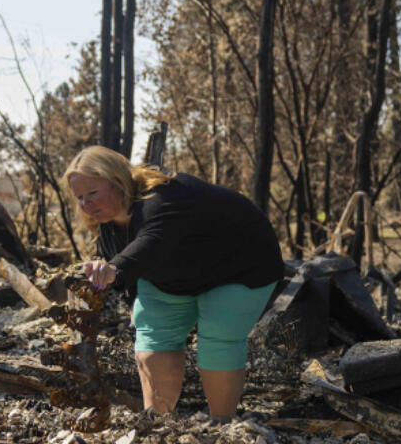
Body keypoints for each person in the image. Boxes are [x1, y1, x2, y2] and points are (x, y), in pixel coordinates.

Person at [63, 146, 284, 420]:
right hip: (174, 277)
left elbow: (149, 244)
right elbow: (126, 270)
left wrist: (113, 269)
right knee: (152, 332)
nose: (86, 204)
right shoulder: (109, 229)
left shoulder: (164, 198)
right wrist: (128, 296)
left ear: (118, 183)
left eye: (93, 193)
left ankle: (221, 424)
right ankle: (156, 422)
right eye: (80, 197)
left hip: (239, 266)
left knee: (217, 335)